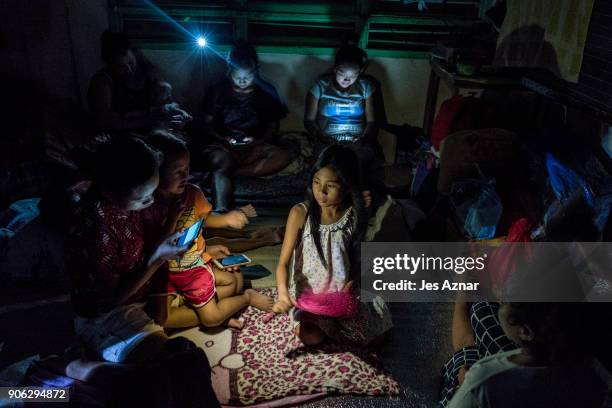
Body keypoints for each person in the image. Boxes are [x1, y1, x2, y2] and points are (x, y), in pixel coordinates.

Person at [65, 136, 188, 364]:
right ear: (111, 193)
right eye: (143, 199)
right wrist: (156, 260)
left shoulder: (123, 204)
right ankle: (80, 368)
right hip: (108, 317)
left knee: (186, 353)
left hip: (140, 295)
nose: (151, 202)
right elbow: (106, 303)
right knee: (174, 364)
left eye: (153, 192)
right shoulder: (96, 231)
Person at [142, 131, 274, 330]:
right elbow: (157, 245)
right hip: (163, 273)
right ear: (156, 174)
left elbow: (205, 218)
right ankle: (223, 310)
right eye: (177, 171)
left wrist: (226, 219)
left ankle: (235, 303)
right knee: (163, 320)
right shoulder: (146, 204)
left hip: (191, 268)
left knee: (224, 299)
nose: (185, 176)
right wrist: (171, 219)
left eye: (187, 169)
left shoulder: (192, 194)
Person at [272, 145, 391, 347]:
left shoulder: (353, 215)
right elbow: (282, 264)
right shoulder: (300, 214)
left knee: (376, 336)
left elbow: (358, 258)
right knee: (312, 337)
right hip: (309, 297)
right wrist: (283, 294)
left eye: (331, 186)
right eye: (317, 182)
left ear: (346, 187)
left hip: (340, 295)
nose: (321, 191)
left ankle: (333, 325)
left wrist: (350, 285)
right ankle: (322, 324)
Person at [447, 302, 610, 408]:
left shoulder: (483, 381)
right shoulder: (592, 371)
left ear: (525, 332)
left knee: (466, 351)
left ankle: (461, 292)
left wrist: (465, 389)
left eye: (506, 302)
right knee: (480, 309)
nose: (502, 300)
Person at [198, 41, 291, 213]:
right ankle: (222, 210)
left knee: (283, 156)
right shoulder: (218, 91)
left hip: (255, 146)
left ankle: (234, 173)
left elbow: (273, 126)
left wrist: (257, 142)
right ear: (229, 71)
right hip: (223, 147)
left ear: (255, 72)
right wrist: (223, 139)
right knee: (221, 163)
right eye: (237, 77)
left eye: (247, 77)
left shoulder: (266, 91)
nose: (242, 81)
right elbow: (205, 124)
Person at [87, 30, 189, 134]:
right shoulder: (102, 82)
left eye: (130, 63)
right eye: (120, 67)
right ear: (110, 64)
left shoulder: (147, 70)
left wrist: (179, 115)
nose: (128, 69)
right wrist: (145, 121)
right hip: (126, 137)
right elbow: (106, 122)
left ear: (133, 53)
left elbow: (167, 101)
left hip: (156, 131)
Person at [304, 44, 382, 167]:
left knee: (361, 162)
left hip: (357, 142)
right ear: (335, 69)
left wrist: (362, 140)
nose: (347, 79)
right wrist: (322, 138)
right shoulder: (320, 86)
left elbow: (372, 122)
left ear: (360, 72)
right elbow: (309, 120)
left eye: (353, 76)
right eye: (342, 74)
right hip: (327, 141)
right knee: (328, 163)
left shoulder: (365, 86)